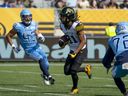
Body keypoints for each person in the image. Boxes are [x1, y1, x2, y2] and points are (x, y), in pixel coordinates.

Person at [5, 9, 55, 85]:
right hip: (29, 49)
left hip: (36, 46)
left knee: (46, 62)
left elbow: (36, 31)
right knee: (40, 59)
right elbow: (8, 36)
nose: (28, 18)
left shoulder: (33, 24)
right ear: (22, 17)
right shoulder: (18, 26)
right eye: (26, 17)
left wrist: (40, 36)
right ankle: (49, 76)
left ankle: (45, 75)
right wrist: (13, 46)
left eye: (29, 17)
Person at [58, 7, 92, 94]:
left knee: (73, 71)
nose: (61, 18)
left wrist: (75, 52)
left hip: (81, 50)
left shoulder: (77, 25)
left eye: (63, 16)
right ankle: (85, 69)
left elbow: (83, 41)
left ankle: (75, 88)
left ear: (69, 17)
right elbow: (69, 36)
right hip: (72, 49)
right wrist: (64, 42)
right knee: (66, 71)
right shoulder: (62, 26)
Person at [102, 22, 128, 96]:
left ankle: (125, 93)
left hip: (123, 62)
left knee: (114, 75)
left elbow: (107, 59)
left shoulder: (112, 40)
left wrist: (107, 65)